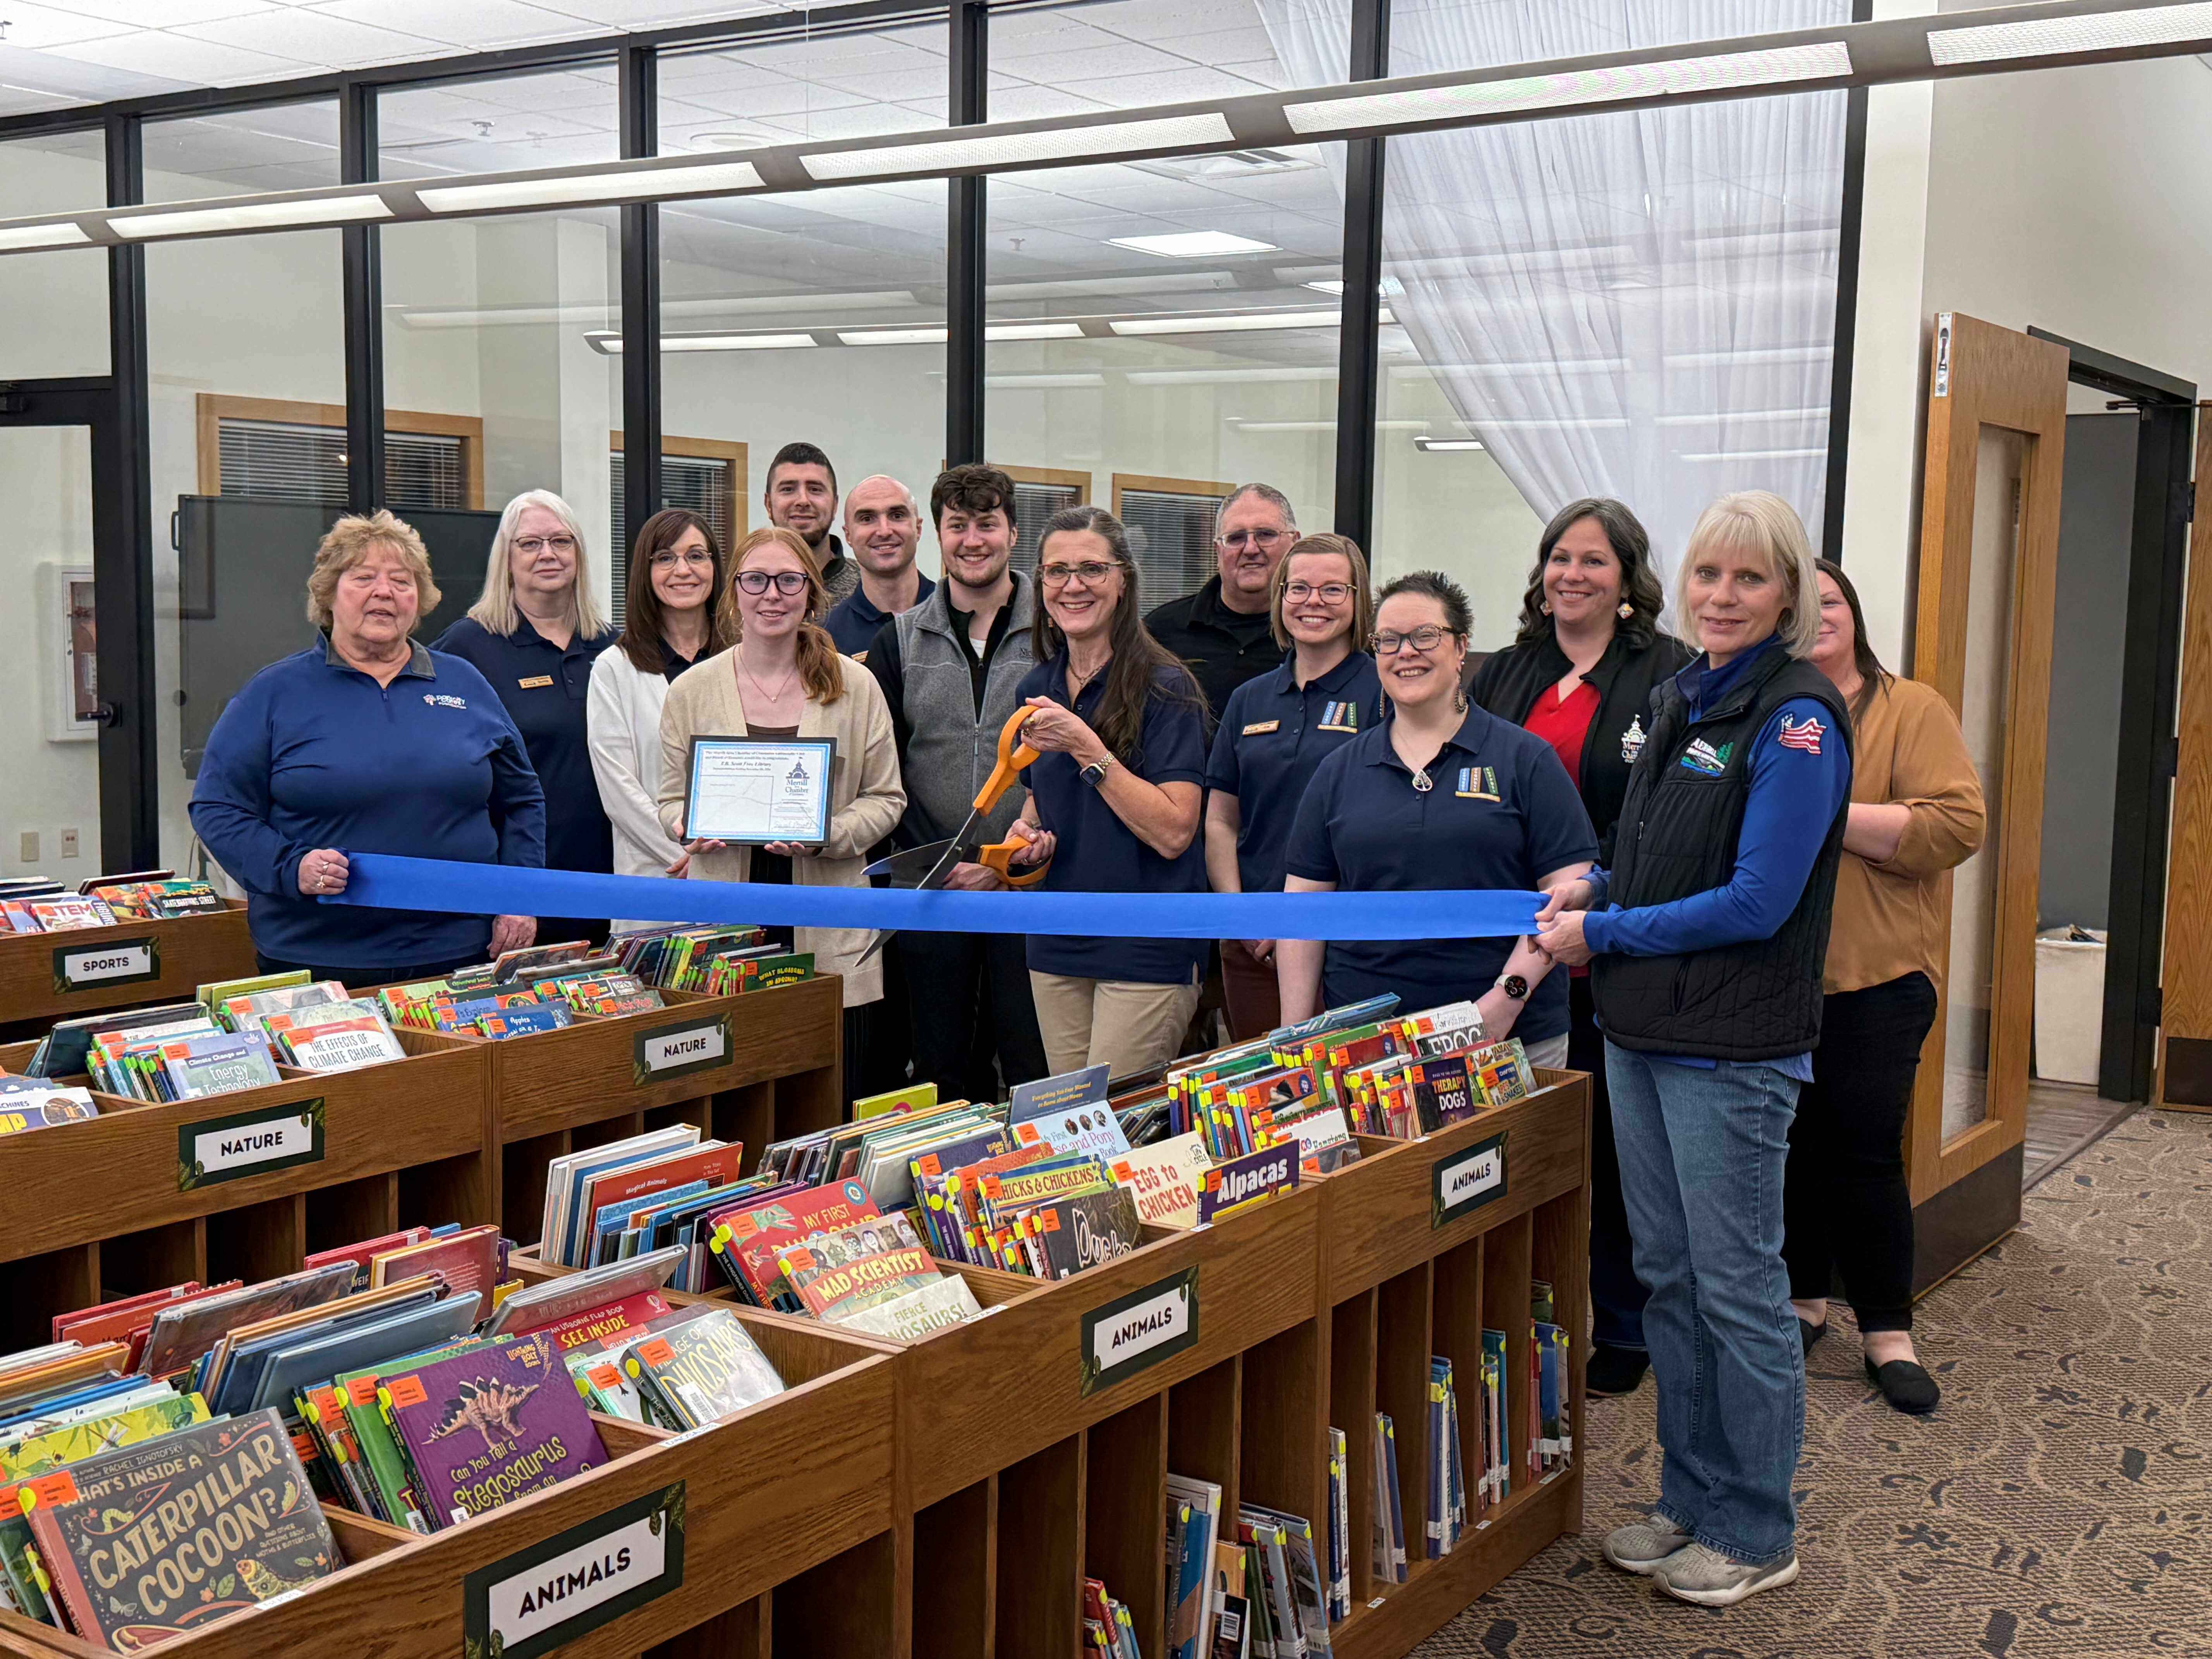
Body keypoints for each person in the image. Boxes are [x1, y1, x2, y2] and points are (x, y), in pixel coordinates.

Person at [1535, 491, 1853, 1607]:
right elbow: (1659, 854)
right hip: (1642, 1030)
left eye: (1749, 578)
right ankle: (1692, 1496)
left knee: (1739, 1291)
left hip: (1731, 1046)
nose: (1722, 596)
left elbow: (1761, 900)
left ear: (1789, 595)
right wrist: (1598, 885)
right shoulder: (1683, 695)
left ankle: (1757, 1527)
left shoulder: (1798, 718)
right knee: (1670, 1279)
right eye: (1709, 575)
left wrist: (1606, 931)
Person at [1468, 498, 1695, 1401]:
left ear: (1628, 578)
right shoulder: (1504, 670)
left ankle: (1627, 1322)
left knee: (1614, 1141)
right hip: (1510, 945)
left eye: (1594, 561)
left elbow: (1673, 816)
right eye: (1560, 557)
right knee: (1517, 1139)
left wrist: (1591, 897)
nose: (1572, 575)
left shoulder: (1671, 676)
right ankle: (1515, 1317)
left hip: (1617, 940)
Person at [1785, 558, 1984, 1415]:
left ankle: (1888, 1333)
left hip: (1879, 979)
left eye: (1829, 600)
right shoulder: (1766, 708)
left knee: (1863, 1153)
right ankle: (1801, 1300)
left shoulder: (1912, 709)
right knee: (1785, 1149)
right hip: (1769, 978)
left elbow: (1957, 824)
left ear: (1854, 612)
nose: (1817, 615)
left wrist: (1823, 819)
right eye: (1799, 605)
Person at [191, 511, 544, 986]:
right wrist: (290, 867)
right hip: (317, 956)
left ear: (419, 600)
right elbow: (217, 807)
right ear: (328, 594)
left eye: (402, 581)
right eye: (364, 578)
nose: (384, 592)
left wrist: (520, 898)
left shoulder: (466, 683)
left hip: (459, 951)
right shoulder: (274, 694)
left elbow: (522, 800)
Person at [1278, 571, 1594, 1061]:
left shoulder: (1526, 760)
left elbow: (1567, 893)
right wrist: (1295, 1038)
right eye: (1388, 640)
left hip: (1510, 1037)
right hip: (1368, 1046)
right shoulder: (1337, 772)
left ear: (1461, 646)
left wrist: (1505, 1001)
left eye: (1425, 636)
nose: (1405, 652)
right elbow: (1303, 913)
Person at [656, 526, 905, 1092]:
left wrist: (827, 834)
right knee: (737, 1095)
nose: (772, 594)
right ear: (734, 592)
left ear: (811, 593)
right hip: (727, 918)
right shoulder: (691, 691)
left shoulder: (857, 686)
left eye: (789, 581)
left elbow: (888, 799)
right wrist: (683, 826)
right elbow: (670, 799)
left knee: (834, 1092)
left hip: (830, 917)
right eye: (756, 580)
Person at [1002, 507, 1211, 1078]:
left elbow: (1175, 831)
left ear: (1123, 582)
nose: (1073, 586)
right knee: (1068, 1117)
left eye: (1092, 569)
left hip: (1145, 946)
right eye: (1057, 571)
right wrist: (1027, 835)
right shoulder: (1036, 687)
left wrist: (1086, 747)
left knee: (1115, 1119)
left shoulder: (1167, 688)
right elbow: (1039, 797)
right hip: (1057, 940)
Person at [865, 464, 1048, 1101]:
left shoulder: (1056, 631)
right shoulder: (898, 639)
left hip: (1029, 886)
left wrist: (1001, 863)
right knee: (940, 1070)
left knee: (1031, 1063)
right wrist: (953, 861)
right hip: (933, 890)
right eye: (958, 526)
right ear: (936, 535)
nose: (973, 540)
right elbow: (885, 770)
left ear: (1013, 532)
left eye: (987, 524)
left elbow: (1065, 762)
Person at [1203, 533, 1384, 1041]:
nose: (1313, 602)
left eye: (1333, 590)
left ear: (1358, 599)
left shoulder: (1384, 694)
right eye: (1299, 588)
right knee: (1264, 1083)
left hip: (1347, 943)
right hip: (1252, 943)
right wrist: (1242, 918)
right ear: (1280, 597)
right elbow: (1220, 820)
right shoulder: (1249, 699)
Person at [434, 489, 619, 947]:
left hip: (610, 876)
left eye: (561, 541)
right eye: (530, 544)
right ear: (507, 558)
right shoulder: (467, 648)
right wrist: (509, 894)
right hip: (516, 885)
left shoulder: (613, 647)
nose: (548, 554)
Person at [587, 508, 737, 930]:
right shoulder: (615, 668)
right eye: (665, 558)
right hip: (656, 878)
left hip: (737, 873)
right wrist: (684, 852)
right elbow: (618, 789)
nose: (683, 570)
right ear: (645, 572)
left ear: (715, 568)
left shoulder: (743, 659)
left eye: (697, 556)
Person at [1143, 482, 1299, 723]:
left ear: (1295, 543)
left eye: (1266, 534)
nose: (1251, 549)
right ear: (1218, 551)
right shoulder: (1160, 631)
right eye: (1236, 538)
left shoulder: (1313, 631)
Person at [825, 475, 935, 658]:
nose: (884, 531)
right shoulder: (827, 639)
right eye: (867, 519)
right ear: (848, 536)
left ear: (918, 528)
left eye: (897, 516)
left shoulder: (957, 616)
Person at [763, 440, 860, 606]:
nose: (803, 501)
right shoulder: (741, 589)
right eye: (788, 489)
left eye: (815, 489)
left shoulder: (869, 588)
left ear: (835, 505)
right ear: (769, 505)